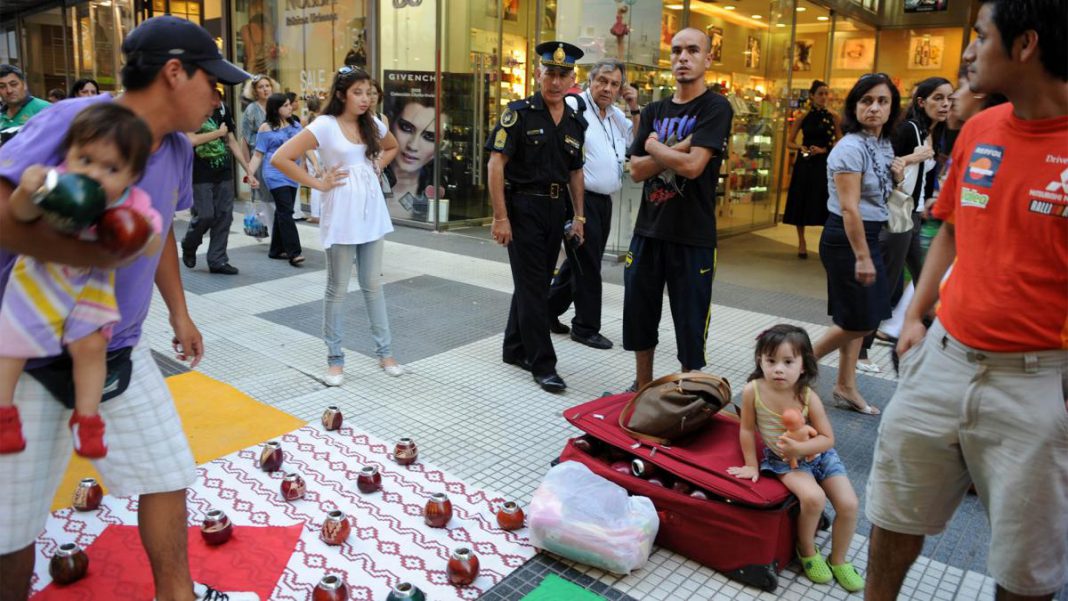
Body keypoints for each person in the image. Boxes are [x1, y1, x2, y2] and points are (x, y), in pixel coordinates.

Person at [0, 15, 257, 601]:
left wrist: (180, 313)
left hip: (116, 345)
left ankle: (178, 595)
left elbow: (161, 229)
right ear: (174, 72)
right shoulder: (72, 120)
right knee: (10, 528)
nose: (218, 96)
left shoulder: (176, 151)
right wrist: (91, 253)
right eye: (212, 81)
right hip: (24, 346)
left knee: (167, 475)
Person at [865, 2, 1068, 599]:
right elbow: (950, 225)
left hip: (1038, 383)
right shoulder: (980, 129)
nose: (969, 51)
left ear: (1026, 44)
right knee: (893, 516)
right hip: (943, 358)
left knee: (1025, 564)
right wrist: (914, 317)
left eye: (981, 37)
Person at [0, 103, 162, 458]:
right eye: (84, 160)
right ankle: (4, 412)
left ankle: (87, 419)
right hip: (39, 278)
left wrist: (139, 232)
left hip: (92, 284)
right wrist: (28, 190)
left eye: (111, 168)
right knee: (11, 347)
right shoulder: (56, 179)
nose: (93, 174)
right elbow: (21, 214)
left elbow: (152, 243)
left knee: (91, 348)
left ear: (132, 176)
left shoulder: (132, 201)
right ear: (68, 155)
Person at [271, 66, 405, 384]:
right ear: (342, 94)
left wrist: (377, 165)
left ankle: (385, 354)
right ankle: (335, 359)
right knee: (338, 289)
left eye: (368, 92)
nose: (364, 98)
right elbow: (280, 158)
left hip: (371, 211)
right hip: (342, 211)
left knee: (373, 285)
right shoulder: (326, 125)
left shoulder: (372, 122)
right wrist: (318, 183)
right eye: (357, 92)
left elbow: (392, 147)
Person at [624, 28, 733, 390]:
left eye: (692, 50)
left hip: (693, 236)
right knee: (640, 316)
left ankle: (688, 394)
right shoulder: (655, 109)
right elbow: (636, 171)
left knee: (690, 323)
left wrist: (655, 146)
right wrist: (683, 144)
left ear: (707, 59)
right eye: (676, 51)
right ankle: (642, 388)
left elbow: (692, 167)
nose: (682, 57)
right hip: (648, 232)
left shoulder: (716, 108)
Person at [728, 324, 864, 592]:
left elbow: (827, 438)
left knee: (849, 504)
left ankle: (838, 559)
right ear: (760, 361)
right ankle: (807, 550)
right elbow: (746, 429)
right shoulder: (753, 391)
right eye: (771, 361)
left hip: (821, 457)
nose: (778, 368)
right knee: (814, 498)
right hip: (783, 461)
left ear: (803, 365)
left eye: (788, 361)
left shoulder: (806, 395)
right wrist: (751, 464)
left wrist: (801, 450)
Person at [487, 41, 587, 393]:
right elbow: (495, 165)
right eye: (550, 73)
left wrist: (579, 217)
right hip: (524, 209)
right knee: (534, 289)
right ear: (538, 73)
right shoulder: (518, 114)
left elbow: (576, 172)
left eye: (563, 75)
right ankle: (543, 364)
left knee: (535, 285)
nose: (556, 81)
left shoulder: (576, 122)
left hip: (556, 211)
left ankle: (514, 348)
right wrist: (501, 217)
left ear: (573, 78)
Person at [808, 73, 905, 416]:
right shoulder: (850, 146)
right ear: (854, 106)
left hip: (866, 234)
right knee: (863, 321)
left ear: (892, 108)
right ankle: (797, 368)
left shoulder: (881, 143)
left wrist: (897, 173)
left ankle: (845, 385)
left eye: (882, 101)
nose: (874, 108)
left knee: (852, 316)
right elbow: (849, 208)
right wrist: (863, 257)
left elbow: (874, 193)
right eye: (866, 101)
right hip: (848, 237)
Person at [547, 58, 638, 350]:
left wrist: (634, 106)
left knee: (578, 263)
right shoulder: (575, 106)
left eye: (614, 84)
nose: (608, 89)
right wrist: (576, 211)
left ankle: (546, 311)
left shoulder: (614, 114)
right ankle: (585, 327)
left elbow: (638, 139)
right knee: (587, 265)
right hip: (578, 200)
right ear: (590, 80)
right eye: (603, 81)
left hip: (604, 201)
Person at [181, 85, 256, 275]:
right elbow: (191, 140)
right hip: (199, 174)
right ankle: (189, 244)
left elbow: (231, 141)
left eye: (219, 98)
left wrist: (248, 168)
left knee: (224, 216)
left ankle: (218, 260)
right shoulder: (190, 112)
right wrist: (217, 133)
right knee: (205, 214)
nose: (217, 102)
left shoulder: (223, 110)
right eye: (213, 98)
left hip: (223, 172)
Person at [783, 80, 840, 259]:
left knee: (824, 200)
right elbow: (789, 141)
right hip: (805, 162)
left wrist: (824, 149)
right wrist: (801, 147)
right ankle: (801, 242)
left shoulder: (834, 117)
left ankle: (825, 242)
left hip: (824, 162)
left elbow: (840, 140)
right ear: (812, 96)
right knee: (801, 199)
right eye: (820, 93)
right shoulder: (803, 117)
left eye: (826, 93)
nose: (824, 97)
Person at [247, 93, 305, 266]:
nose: (290, 107)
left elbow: (305, 146)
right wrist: (250, 173)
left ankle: (275, 250)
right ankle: (294, 252)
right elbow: (258, 154)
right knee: (287, 211)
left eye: (290, 105)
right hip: (274, 173)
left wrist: (314, 165)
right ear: (276, 108)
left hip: (292, 173)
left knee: (282, 211)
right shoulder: (265, 128)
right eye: (286, 105)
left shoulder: (295, 124)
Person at [386, 95, 439, 221]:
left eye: (429, 136)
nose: (413, 145)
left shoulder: (432, 188)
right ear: (392, 125)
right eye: (407, 128)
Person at [0, 65, 50, 134]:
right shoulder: (1, 115)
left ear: (25, 85)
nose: (9, 90)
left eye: (14, 84)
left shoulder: (45, 109)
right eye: (2, 86)